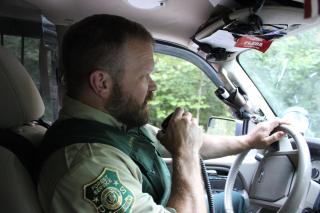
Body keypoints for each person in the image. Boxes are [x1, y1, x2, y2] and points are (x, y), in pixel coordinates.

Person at [37, 14, 290, 213]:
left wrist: (248, 141)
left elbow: (179, 142)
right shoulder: (89, 166)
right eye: (144, 75)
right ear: (102, 83)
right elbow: (186, 149)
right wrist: (186, 154)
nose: (153, 85)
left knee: (233, 199)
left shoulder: (114, 124)